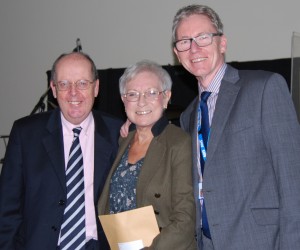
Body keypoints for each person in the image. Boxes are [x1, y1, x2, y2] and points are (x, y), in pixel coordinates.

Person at [122, 4, 300, 250]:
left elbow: (293, 181)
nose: (194, 48)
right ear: (177, 53)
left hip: (259, 241)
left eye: (203, 37)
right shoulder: (188, 115)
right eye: (185, 41)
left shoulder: (264, 89)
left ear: (222, 43)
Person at [0, 52, 123, 250]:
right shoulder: (26, 134)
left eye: (83, 83)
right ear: (53, 89)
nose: (74, 93)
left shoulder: (119, 133)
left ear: (96, 87)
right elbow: (7, 209)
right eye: (64, 84)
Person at [98, 60, 196, 249]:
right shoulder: (121, 140)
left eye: (151, 93)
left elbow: (185, 218)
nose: (141, 101)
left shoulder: (179, 143)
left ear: (166, 97)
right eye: (133, 94)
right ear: (123, 100)